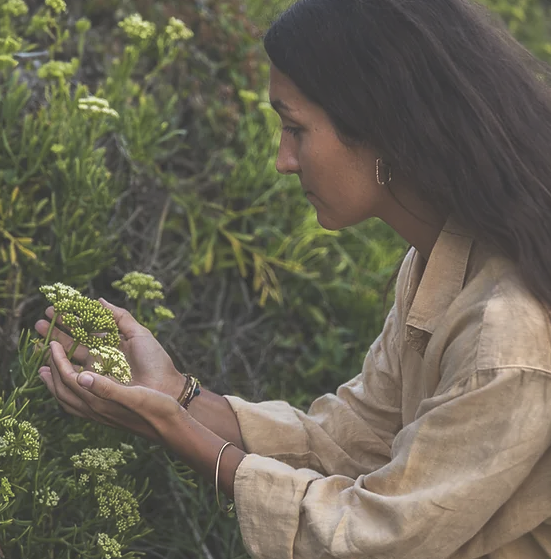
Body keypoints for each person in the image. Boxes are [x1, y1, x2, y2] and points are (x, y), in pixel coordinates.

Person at [35, 0, 551, 557]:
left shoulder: (505, 334)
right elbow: (352, 441)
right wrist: (175, 394)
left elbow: (379, 536)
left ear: (382, 128)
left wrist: (176, 431)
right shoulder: (442, 261)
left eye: (295, 127)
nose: (283, 159)